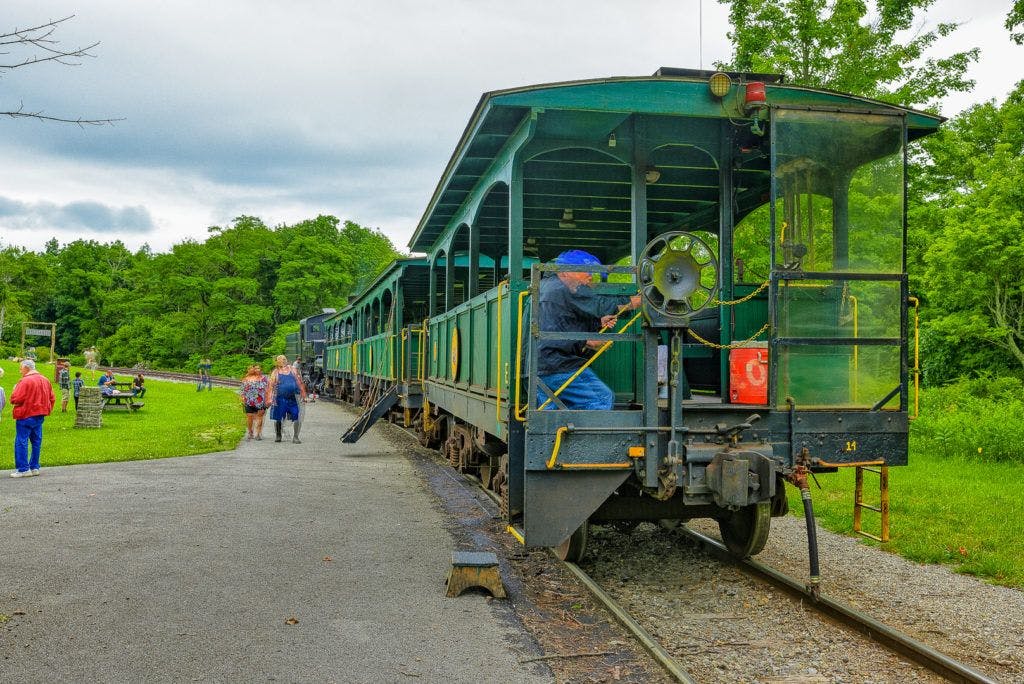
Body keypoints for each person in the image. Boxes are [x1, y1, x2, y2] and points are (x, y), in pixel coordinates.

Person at [536, 249, 641, 410]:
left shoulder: (546, 287)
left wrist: (598, 323)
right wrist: (636, 302)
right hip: (556, 366)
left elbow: (562, 324)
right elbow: (599, 305)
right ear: (564, 273)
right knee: (602, 399)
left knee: (550, 418)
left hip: (540, 366)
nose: (590, 275)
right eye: (584, 271)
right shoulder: (561, 289)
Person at [9, 359, 56, 478]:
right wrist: (47, 410)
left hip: (26, 414)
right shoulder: (45, 380)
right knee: (36, 441)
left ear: (26, 368)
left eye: (21, 368)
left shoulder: (25, 381)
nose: (20, 371)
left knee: (21, 441)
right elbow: (52, 398)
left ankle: (23, 469)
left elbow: (15, 399)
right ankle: (34, 467)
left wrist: (15, 390)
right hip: (40, 415)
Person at [268, 354, 307, 443]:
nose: (284, 361)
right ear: (277, 362)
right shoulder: (275, 372)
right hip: (279, 398)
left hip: (292, 398)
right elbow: (270, 385)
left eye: (285, 359)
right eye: (281, 359)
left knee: (296, 416)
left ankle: (296, 437)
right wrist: (269, 398)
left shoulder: (293, 369)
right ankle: (278, 435)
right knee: (278, 417)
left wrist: (303, 394)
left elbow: (299, 382)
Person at [239, 365, 270, 440]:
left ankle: (258, 433)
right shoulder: (246, 379)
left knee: (260, 417)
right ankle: (250, 432)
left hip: (261, 401)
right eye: (255, 369)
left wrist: (268, 400)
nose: (257, 370)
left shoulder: (264, 378)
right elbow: (242, 390)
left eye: (258, 368)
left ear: (261, 369)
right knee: (249, 417)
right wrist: (242, 398)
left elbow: (269, 389)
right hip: (249, 401)